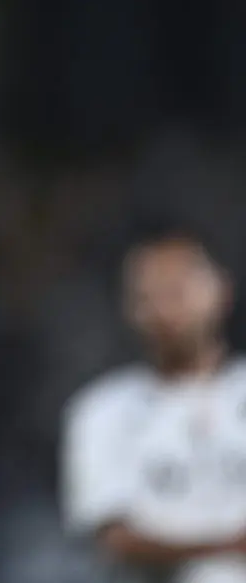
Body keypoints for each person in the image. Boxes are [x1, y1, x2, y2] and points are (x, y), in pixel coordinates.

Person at [60, 226, 246, 583]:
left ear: (221, 289)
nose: (164, 310)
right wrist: (229, 546)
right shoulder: (101, 409)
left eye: (177, 291)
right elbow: (115, 539)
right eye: (148, 297)